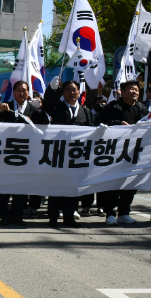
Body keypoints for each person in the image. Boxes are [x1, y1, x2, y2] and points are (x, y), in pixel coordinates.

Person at [97, 80, 151, 225]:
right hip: (116, 153)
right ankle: (110, 213)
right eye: (132, 89)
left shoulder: (142, 108)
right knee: (113, 184)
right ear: (123, 91)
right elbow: (98, 123)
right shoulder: (113, 107)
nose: (135, 92)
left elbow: (150, 123)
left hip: (135, 153)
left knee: (131, 184)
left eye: (137, 90)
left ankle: (124, 212)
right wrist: (117, 123)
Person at [0, 80, 49, 226]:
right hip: (7, 154)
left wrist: (42, 109)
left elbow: (45, 126)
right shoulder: (6, 107)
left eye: (24, 90)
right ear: (13, 92)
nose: (21, 93)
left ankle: (17, 215)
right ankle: (4, 215)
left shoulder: (33, 109)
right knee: (5, 187)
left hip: (27, 155)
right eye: (19, 90)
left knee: (22, 186)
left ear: (28, 92)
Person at [43, 77, 95, 228]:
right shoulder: (57, 108)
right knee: (56, 188)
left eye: (74, 90)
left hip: (77, 157)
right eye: (68, 90)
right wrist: (53, 90)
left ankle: (69, 216)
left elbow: (90, 130)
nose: (72, 93)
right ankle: (53, 217)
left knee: (73, 188)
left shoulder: (85, 111)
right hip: (58, 154)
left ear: (79, 92)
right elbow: (47, 105)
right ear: (63, 93)